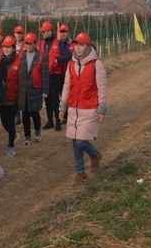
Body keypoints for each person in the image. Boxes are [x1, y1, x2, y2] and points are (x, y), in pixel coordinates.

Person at [59, 33, 107, 186]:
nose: (78, 48)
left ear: (88, 46)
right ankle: (80, 173)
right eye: (76, 45)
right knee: (74, 141)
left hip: (89, 107)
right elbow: (67, 86)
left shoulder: (96, 64)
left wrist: (101, 109)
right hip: (74, 107)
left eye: (81, 45)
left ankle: (94, 155)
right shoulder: (71, 64)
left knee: (81, 141)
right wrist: (63, 106)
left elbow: (102, 87)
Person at [37, 21, 71, 131]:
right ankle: (50, 121)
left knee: (55, 100)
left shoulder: (58, 43)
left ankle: (58, 122)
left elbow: (68, 55)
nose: (43, 33)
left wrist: (59, 60)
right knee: (47, 99)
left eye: (44, 31)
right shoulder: (41, 44)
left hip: (55, 75)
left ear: (50, 31)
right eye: (42, 32)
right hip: (44, 76)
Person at [19, 33, 49, 145]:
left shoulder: (41, 57)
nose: (28, 46)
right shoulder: (21, 56)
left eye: (30, 44)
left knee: (35, 113)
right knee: (25, 114)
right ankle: (27, 136)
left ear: (35, 44)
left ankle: (37, 130)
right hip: (24, 90)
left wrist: (45, 91)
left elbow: (45, 75)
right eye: (26, 43)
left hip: (35, 89)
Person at [0, 36, 24, 157]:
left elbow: (22, 83)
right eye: (5, 47)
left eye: (9, 47)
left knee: (10, 121)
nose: (6, 49)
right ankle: (13, 135)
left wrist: (21, 101)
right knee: (4, 122)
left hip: (14, 98)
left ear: (14, 48)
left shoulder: (19, 62)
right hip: (2, 98)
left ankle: (11, 146)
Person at [13, 26, 26, 126]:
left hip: (23, 71)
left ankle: (22, 117)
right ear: (14, 34)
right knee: (14, 95)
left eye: (20, 33)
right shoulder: (11, 44)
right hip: (13, 72)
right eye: (17, 33)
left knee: (21, 95)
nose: (18, 35)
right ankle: (16, 116)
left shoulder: (26, 45)